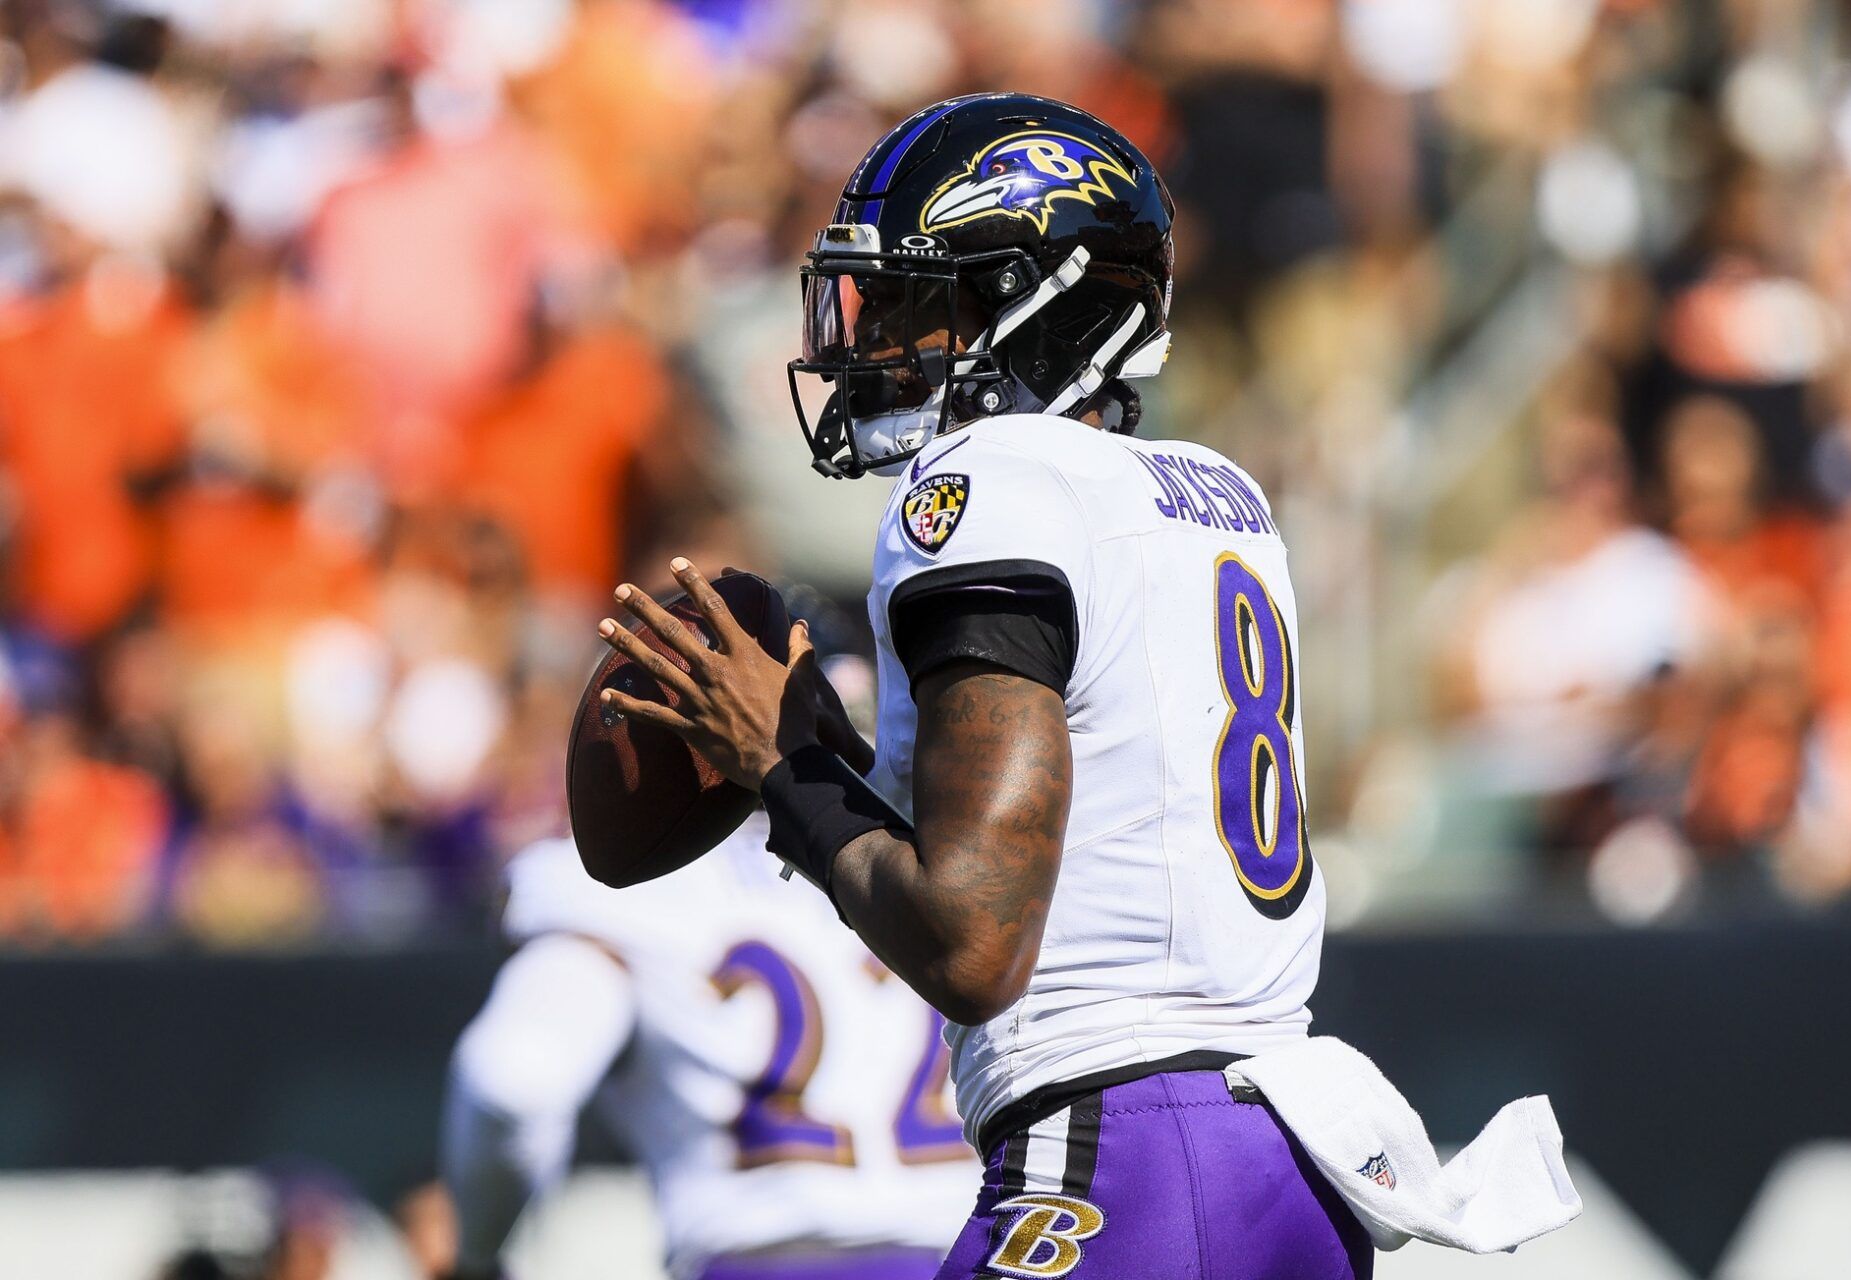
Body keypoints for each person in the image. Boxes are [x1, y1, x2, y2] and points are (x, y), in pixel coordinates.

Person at [596, 94, 1574, 1279]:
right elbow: (1101, 819)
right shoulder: (1218, 494)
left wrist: (783, 769)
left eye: (917, 300)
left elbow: (975, 944)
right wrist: (847, 769)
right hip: (1286, 1166)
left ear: (1046, 303)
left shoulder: (986, 481)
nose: (873, 339)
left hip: (1119, 1155)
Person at [440, 812, 978, 1280]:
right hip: (981, 1258)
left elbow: (512, 1081)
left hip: (751, 1260)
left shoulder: (622, 888)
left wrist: (477, 1261)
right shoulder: (970, 857)